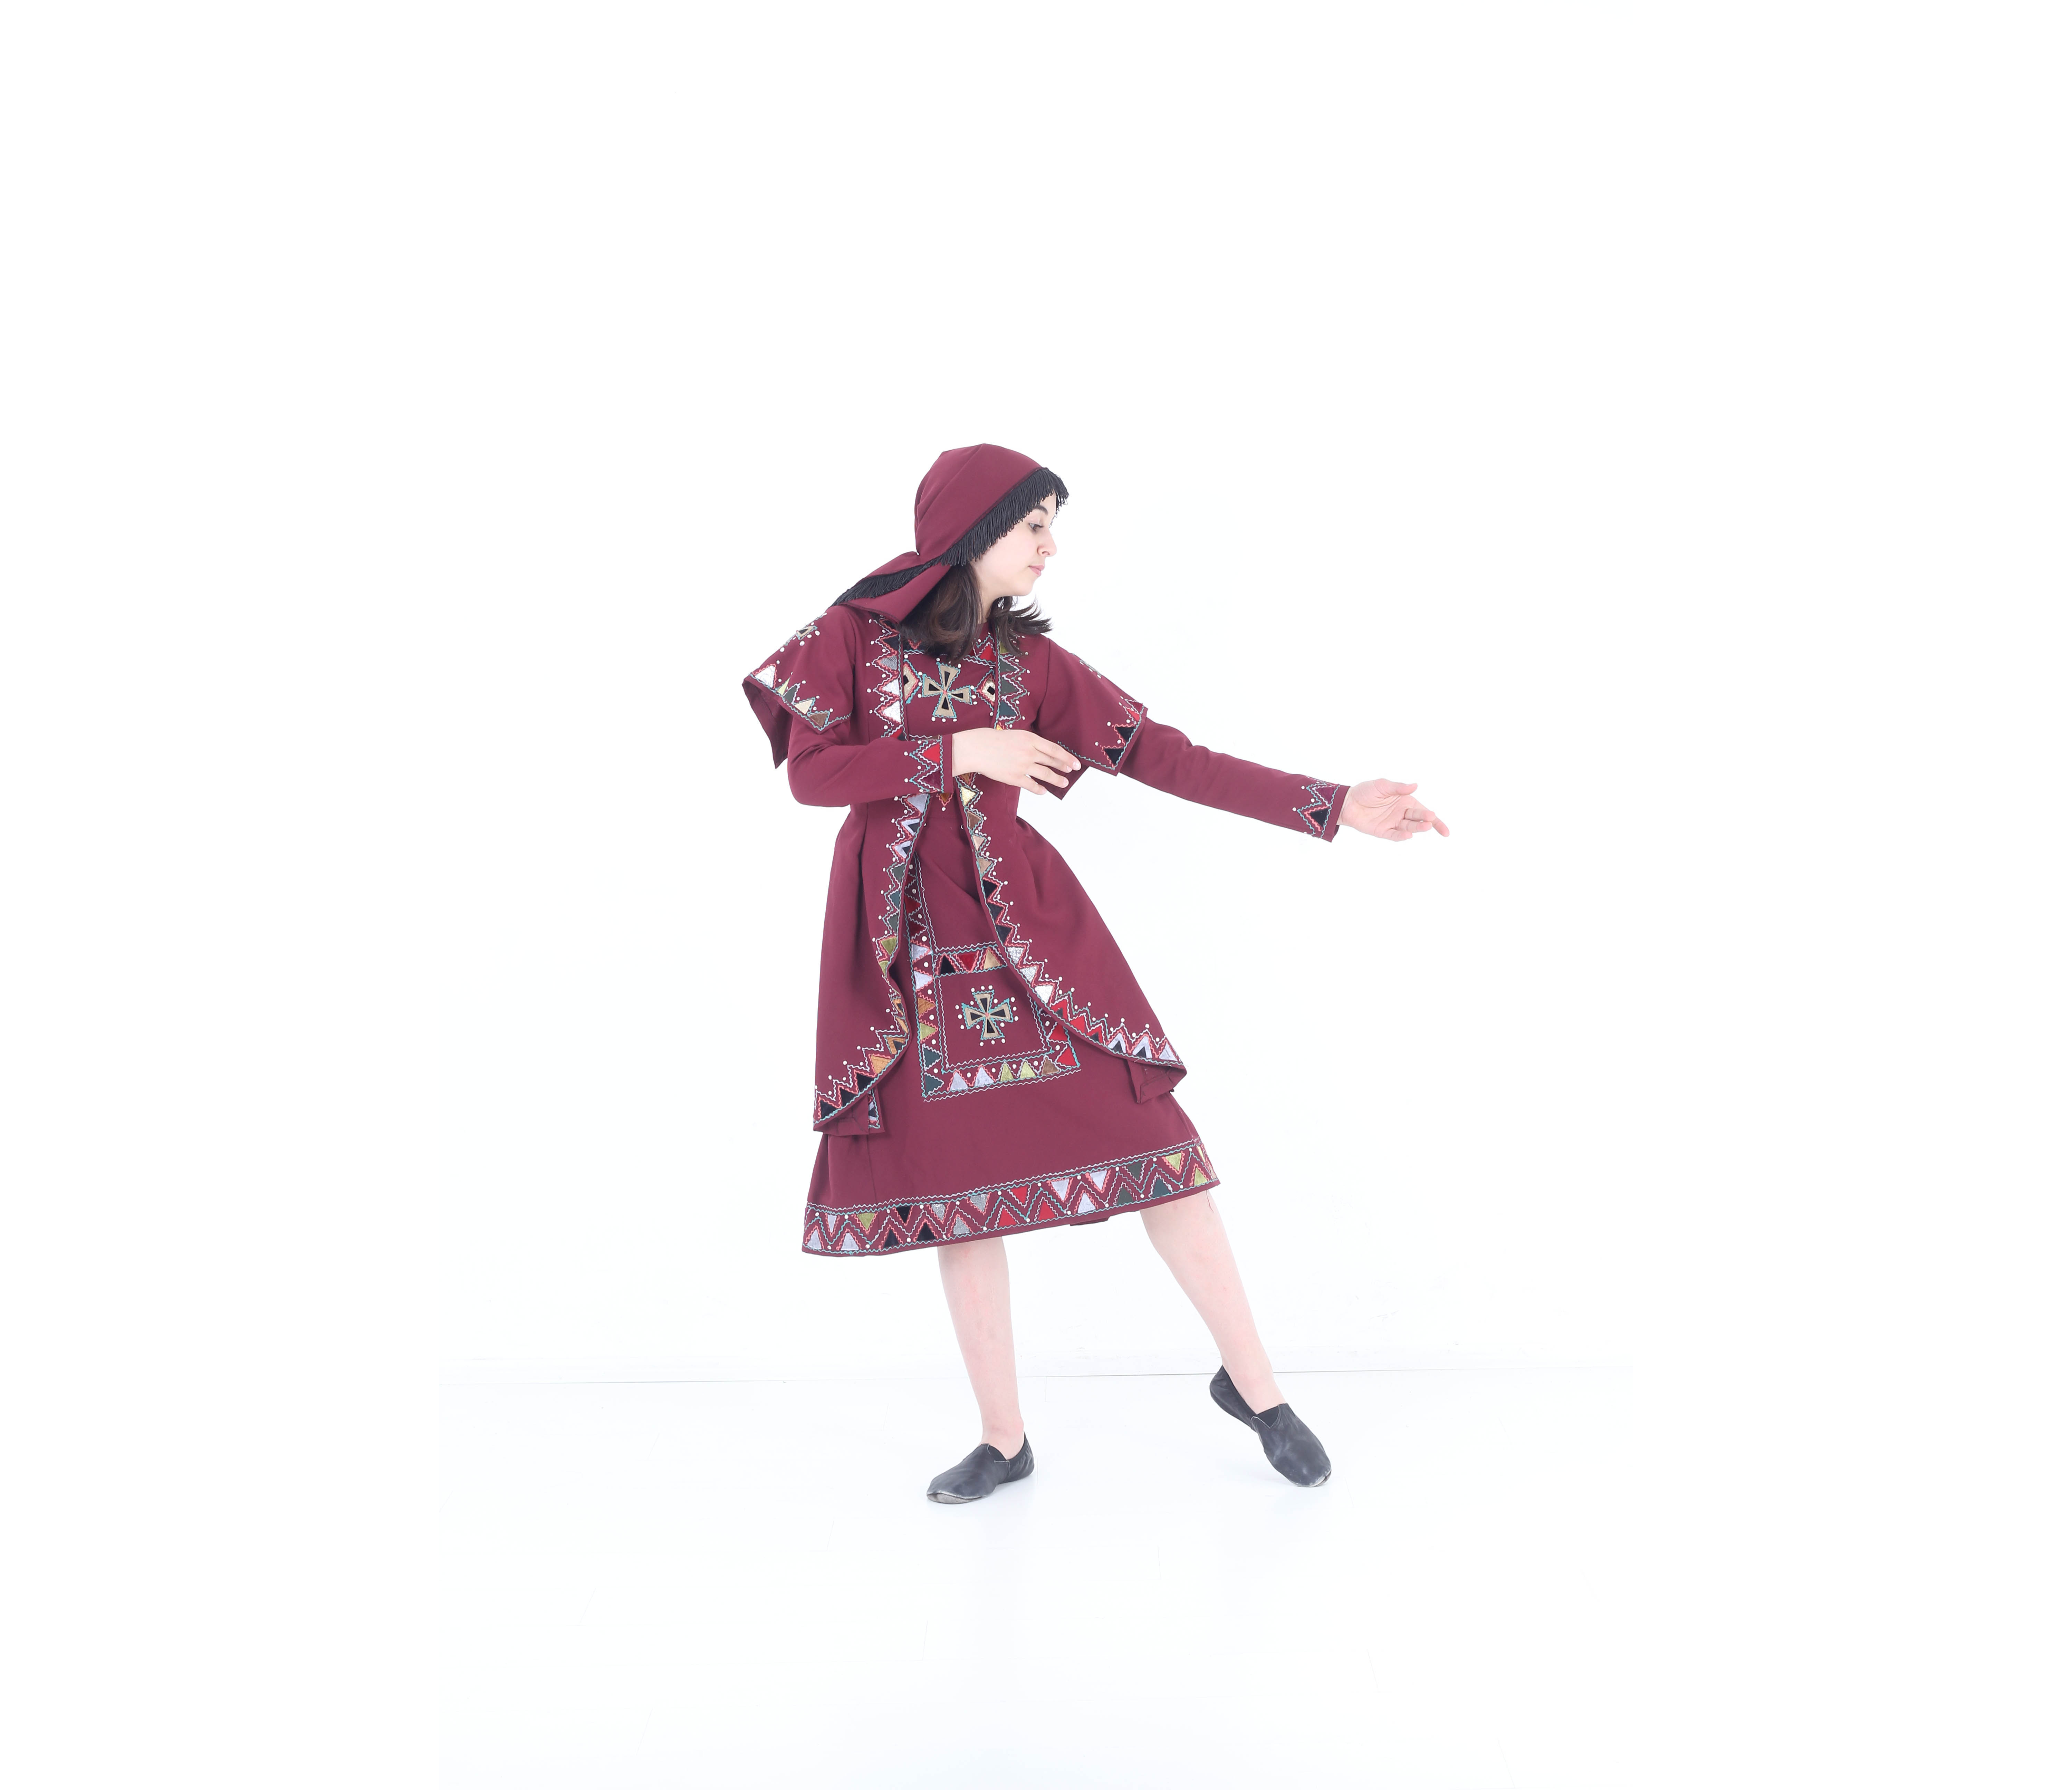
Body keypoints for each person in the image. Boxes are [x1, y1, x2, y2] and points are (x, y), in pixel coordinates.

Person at [742, 445, 1447, 1503]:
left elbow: (1166, 755)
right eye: (1035, 526)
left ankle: (1259, 1392)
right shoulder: (851, 635)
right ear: (974, 528)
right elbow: (810, 775)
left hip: (1034, 945)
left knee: (1163, 1151)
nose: (1050, 548)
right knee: (959, 1196)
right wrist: (958, 752)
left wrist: (1333, 805)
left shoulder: (1031, 665)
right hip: (907, 962)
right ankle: (1004, 1439)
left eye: (1051, 527)